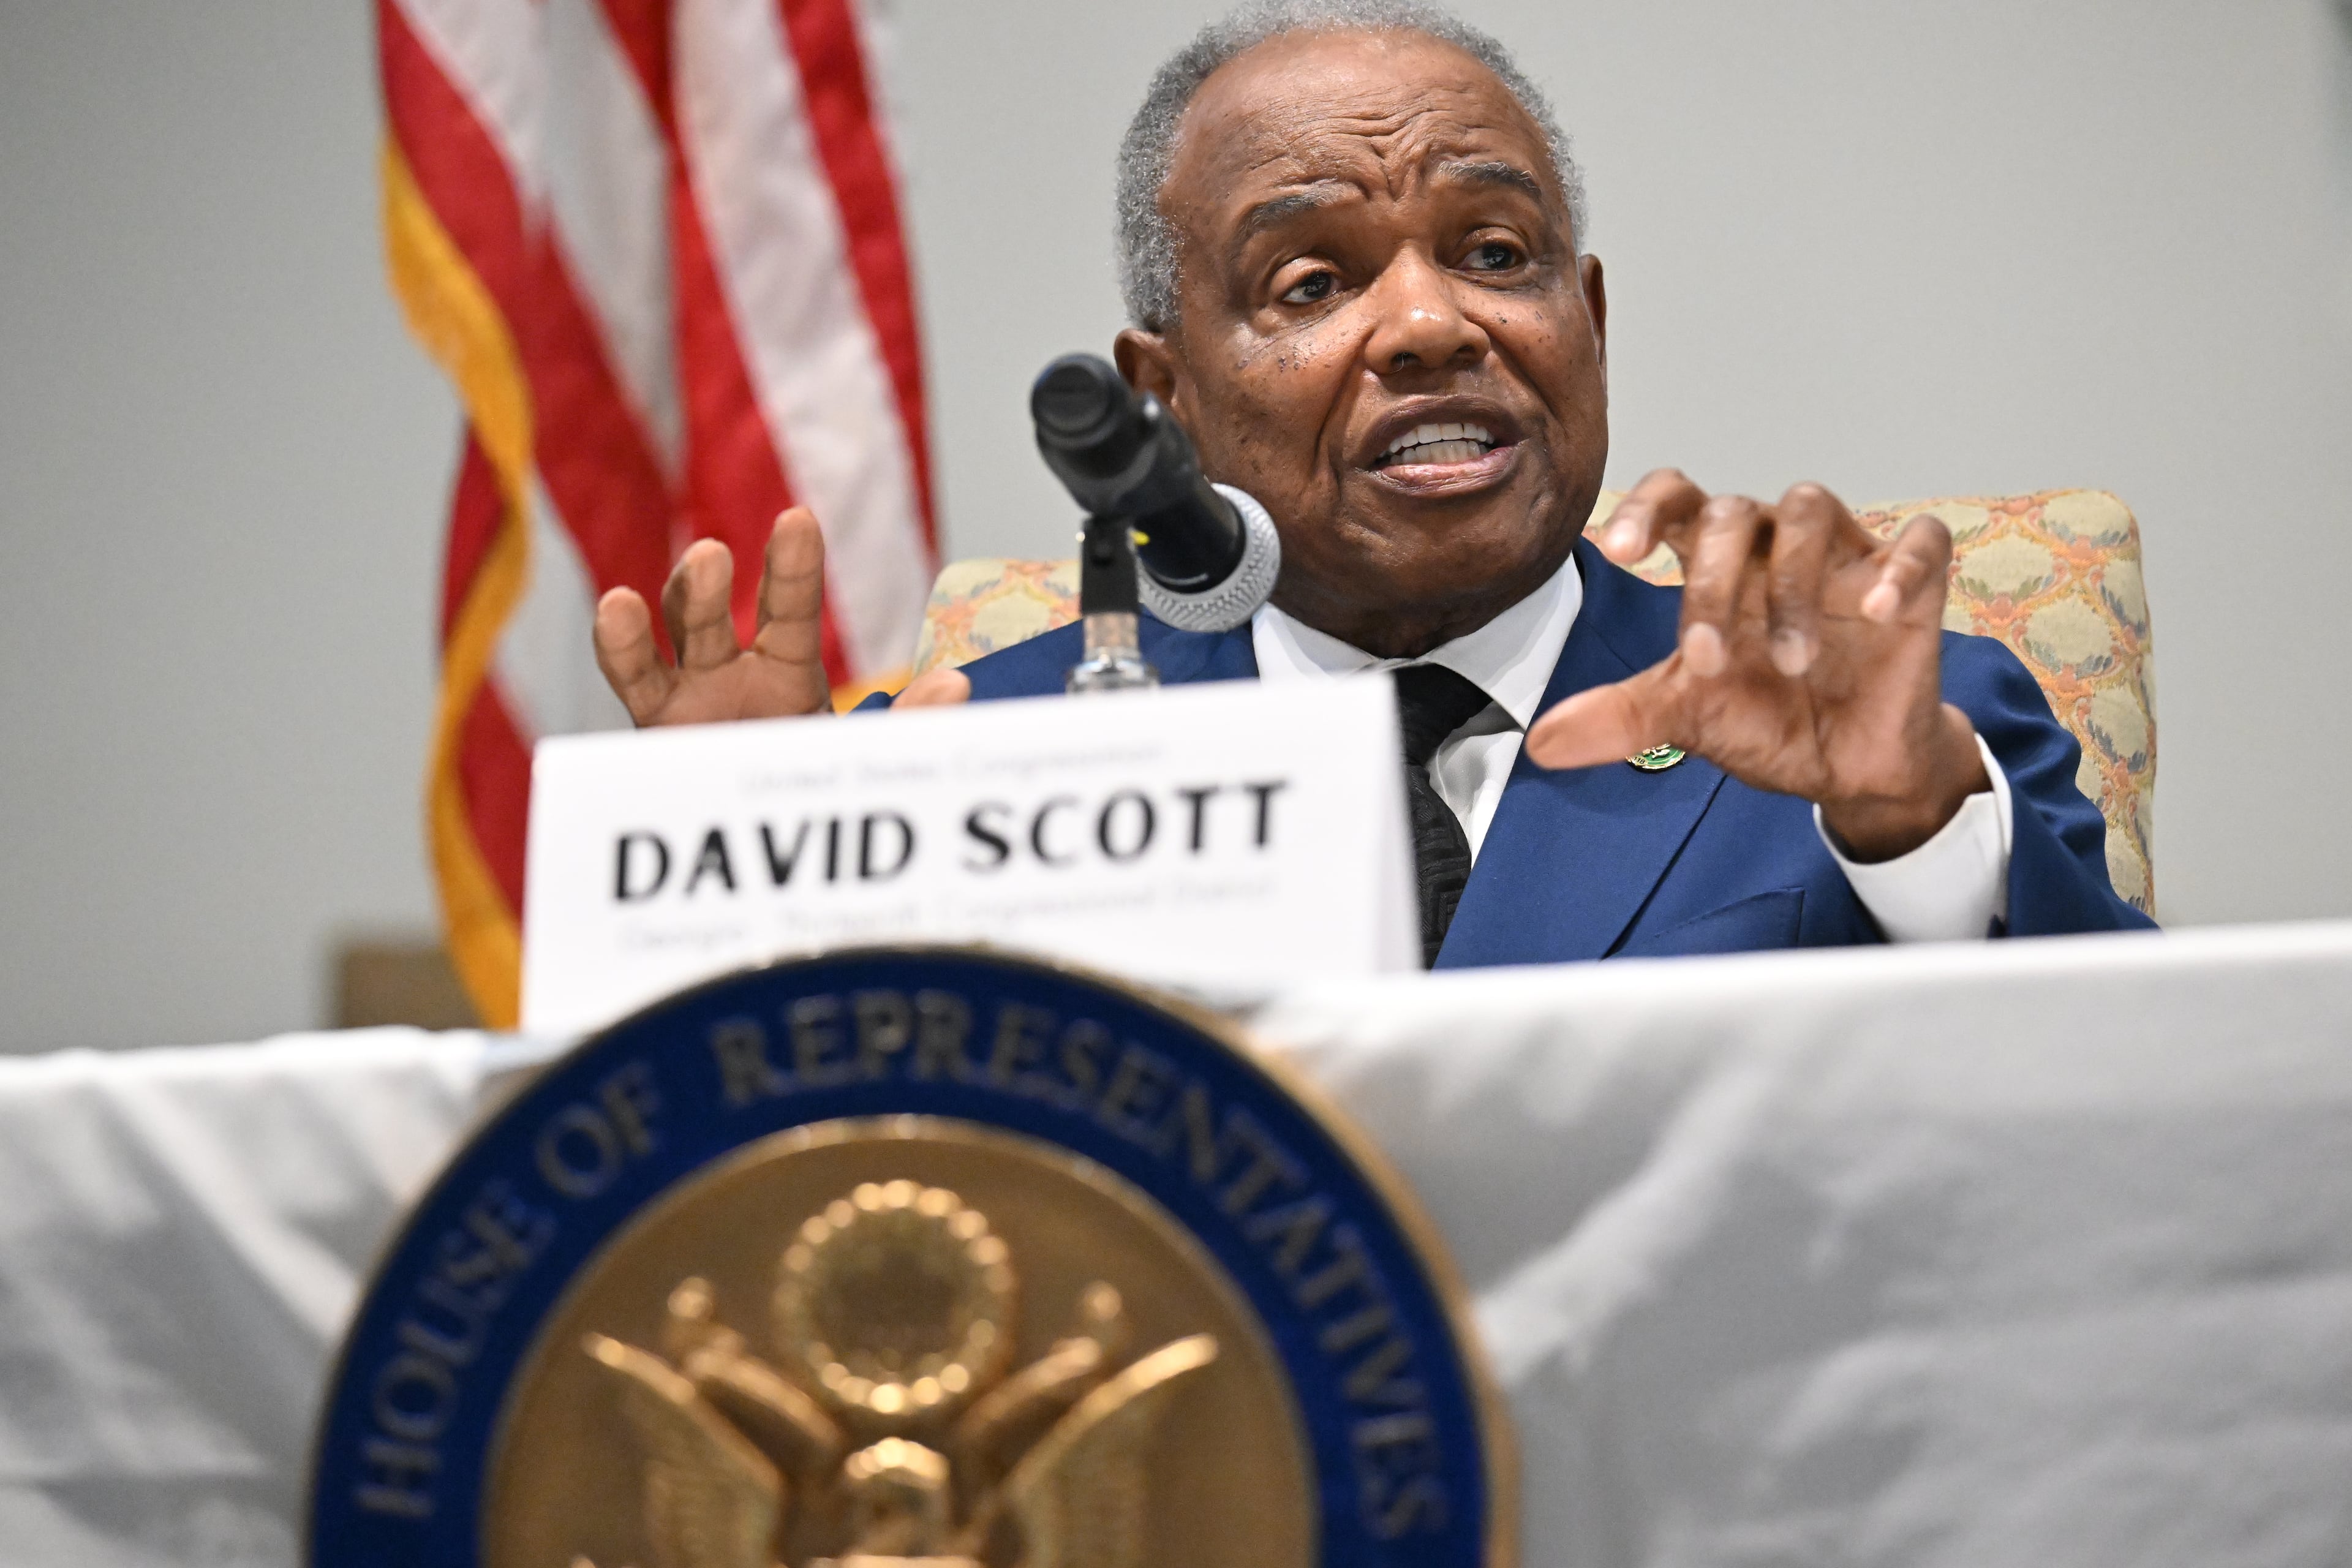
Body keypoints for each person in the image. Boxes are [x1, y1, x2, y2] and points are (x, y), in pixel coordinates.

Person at [589, 0, 2153, 966]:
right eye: (1314, 280)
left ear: (1589, 322)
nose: (1428, 324)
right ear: (1164, 395)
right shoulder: (974, 778)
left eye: (1496, 253)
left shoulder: (1892, 725)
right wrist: (741, 904)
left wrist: (1912, 824)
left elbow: (2127, 1149)